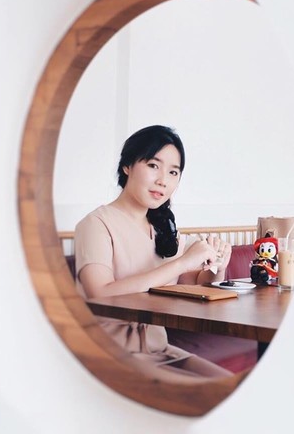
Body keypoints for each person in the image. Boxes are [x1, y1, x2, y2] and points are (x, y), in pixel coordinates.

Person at [74, 125, 233, 378]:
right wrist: (182, 262)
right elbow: (100, 293)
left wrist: (216, 266)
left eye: (173, 172)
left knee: (229, 384)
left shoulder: (164, 228)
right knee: (208, 395)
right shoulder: (95, 224)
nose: (163, 180)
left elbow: (192, 287)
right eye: (153, 166)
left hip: (159, 349)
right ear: (127, 166)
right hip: (110, 352)